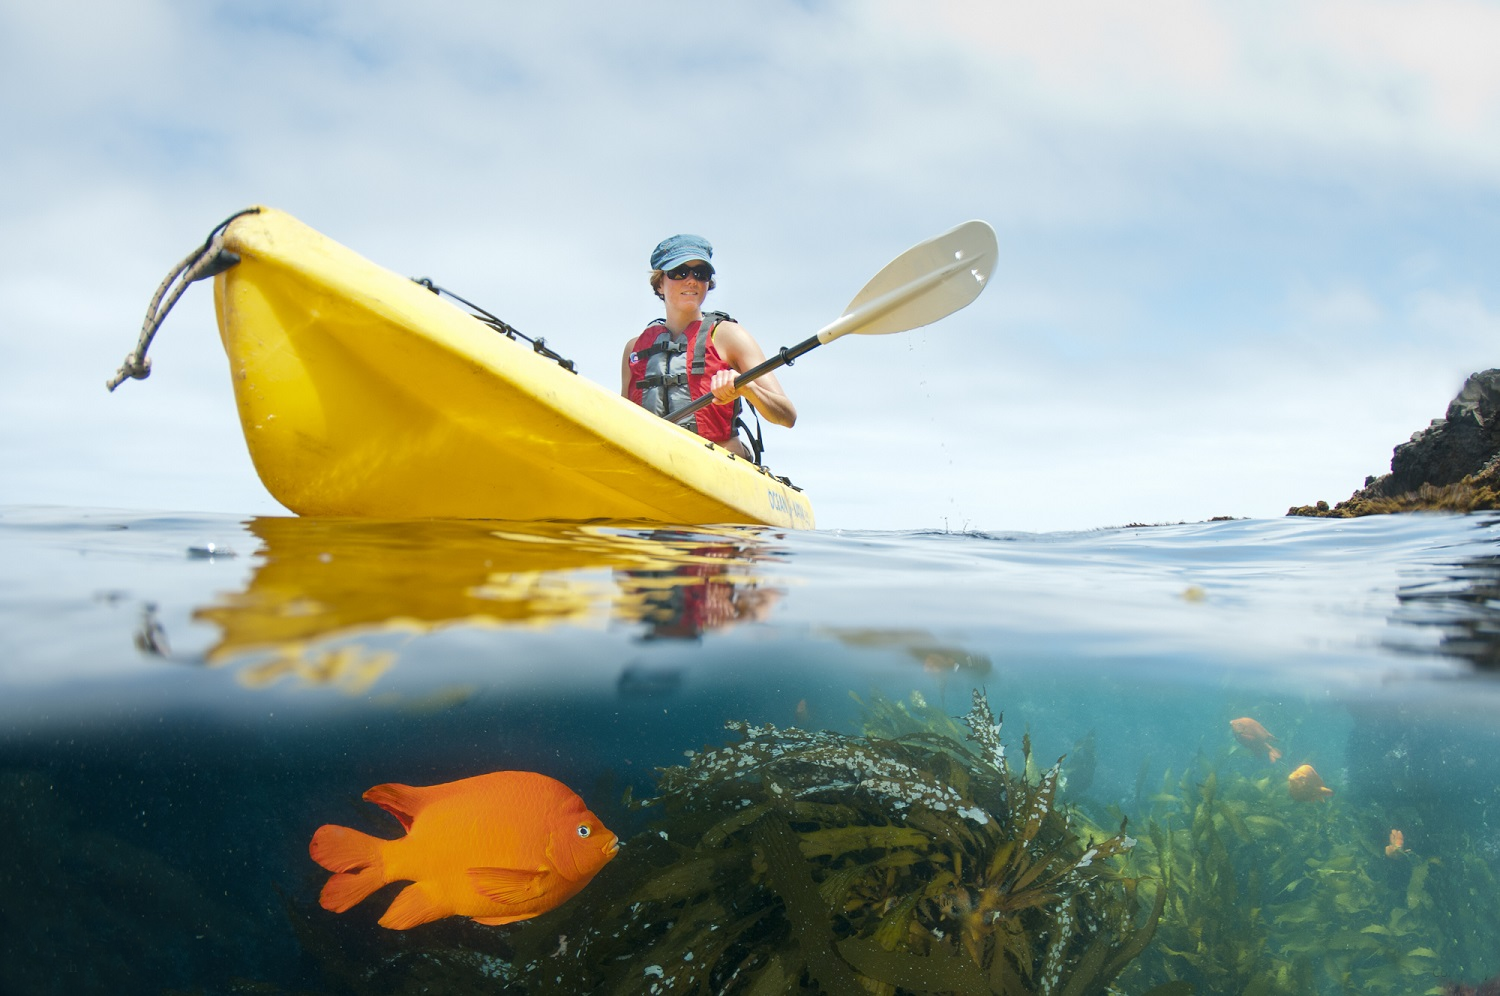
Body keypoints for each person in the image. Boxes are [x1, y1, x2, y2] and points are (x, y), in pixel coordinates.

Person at [621, 234, 796, 460]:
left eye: (701, 274)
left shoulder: (729, 335)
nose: (691, 280)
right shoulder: (634, 349)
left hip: (718, 465)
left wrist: (747, 388)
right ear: (659, 283)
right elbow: (623, 422)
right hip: (655, 464)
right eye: (679, 272)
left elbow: (787, 416)